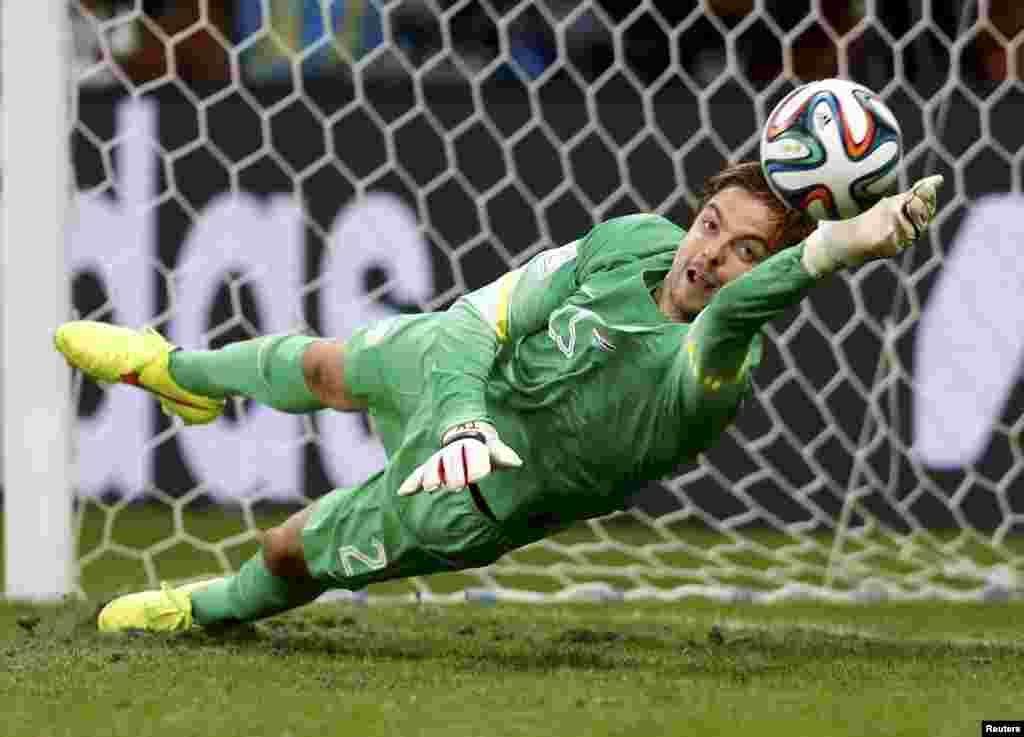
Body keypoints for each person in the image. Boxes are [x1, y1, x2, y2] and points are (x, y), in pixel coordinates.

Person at [54, 163, 943, 633]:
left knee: (287, 551)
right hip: (463, 384)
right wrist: (461, 410)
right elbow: (492, 313)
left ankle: (201, 610)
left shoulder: (708, 373)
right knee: (329, 364)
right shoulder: (635, 240)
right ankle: (177, 372)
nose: (708, 255)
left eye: (746, 252)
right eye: (714, 224)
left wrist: (836, 250)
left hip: (477, 494)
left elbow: (737, 314)